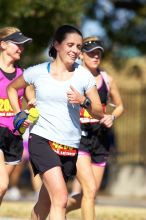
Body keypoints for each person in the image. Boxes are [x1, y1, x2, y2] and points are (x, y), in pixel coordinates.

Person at [7, 25, 104, 220]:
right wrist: (18, 114)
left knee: (46, 202)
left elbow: (99, 112)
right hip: (42, 139)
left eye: (78, 46)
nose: (75, 50)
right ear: (57, 45)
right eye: (70, 44)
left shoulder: (83, 75)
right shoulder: (38, 71)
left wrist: (82, 101)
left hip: (69, 146)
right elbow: (11, 88)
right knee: (60, 199)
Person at [66, 36, 124, 220]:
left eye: (98, 53)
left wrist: (112, 116)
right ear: (81, 55)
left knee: (90, 193)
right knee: (89, 190)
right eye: (91, 53)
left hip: (101, 139)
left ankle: (57, 208)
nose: (96, 56)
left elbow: (120, 106)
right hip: (79, 138)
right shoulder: (72, 77)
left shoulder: (107, 79)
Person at [0, 26, 32, 205]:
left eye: (23, 45)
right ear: (3, 45)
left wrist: (30, 112)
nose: (21, 47)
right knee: (2, 185)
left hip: (14, 137)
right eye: (17, 44)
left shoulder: (22, 75)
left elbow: (33, 101)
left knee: (0, 191)